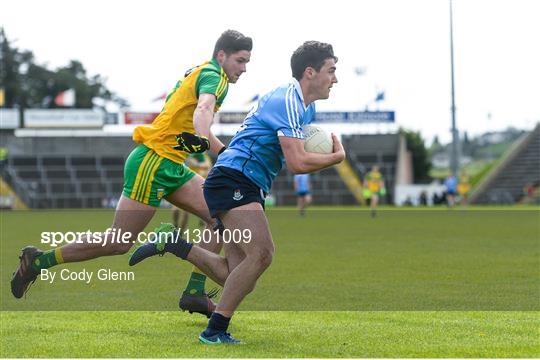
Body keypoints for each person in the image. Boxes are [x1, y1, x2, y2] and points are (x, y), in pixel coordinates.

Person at [10, 30, 253, 319]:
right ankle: (37, 262)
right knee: (118, 242)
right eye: (240, 61)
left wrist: (213, 146)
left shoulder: (204, 71)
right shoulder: (216, 77)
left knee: (218, 217)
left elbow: (197, 114)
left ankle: (194, 293)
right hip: (152, 162)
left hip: (171, 165)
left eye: (247, 62)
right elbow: (203, 110)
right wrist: (210, 144)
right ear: (222, 55)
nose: (244, 69)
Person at [129, 41, 345, 344]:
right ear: (310, 72)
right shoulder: (288, 100)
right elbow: (296, 162)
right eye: (331, 70)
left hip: (241, 180)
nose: (335, 78)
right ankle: (214, 330)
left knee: (235, 272)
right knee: (262, 254)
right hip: (235, 179)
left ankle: (173, 243)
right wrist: (336, 158)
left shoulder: (303, 108)